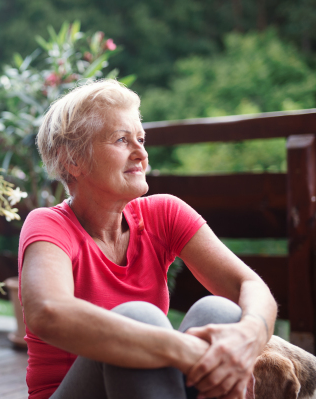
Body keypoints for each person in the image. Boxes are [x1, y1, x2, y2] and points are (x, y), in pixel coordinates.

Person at [18, 79, 278, 399]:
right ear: (73, 159)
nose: (141, 153)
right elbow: (47, 312)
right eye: (121, 140)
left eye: (140, 139)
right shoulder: (48, 225)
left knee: (219, 313)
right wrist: (180, 348)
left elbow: (250, 287)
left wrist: (248, 338)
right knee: (139, 319)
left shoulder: (163, 214)